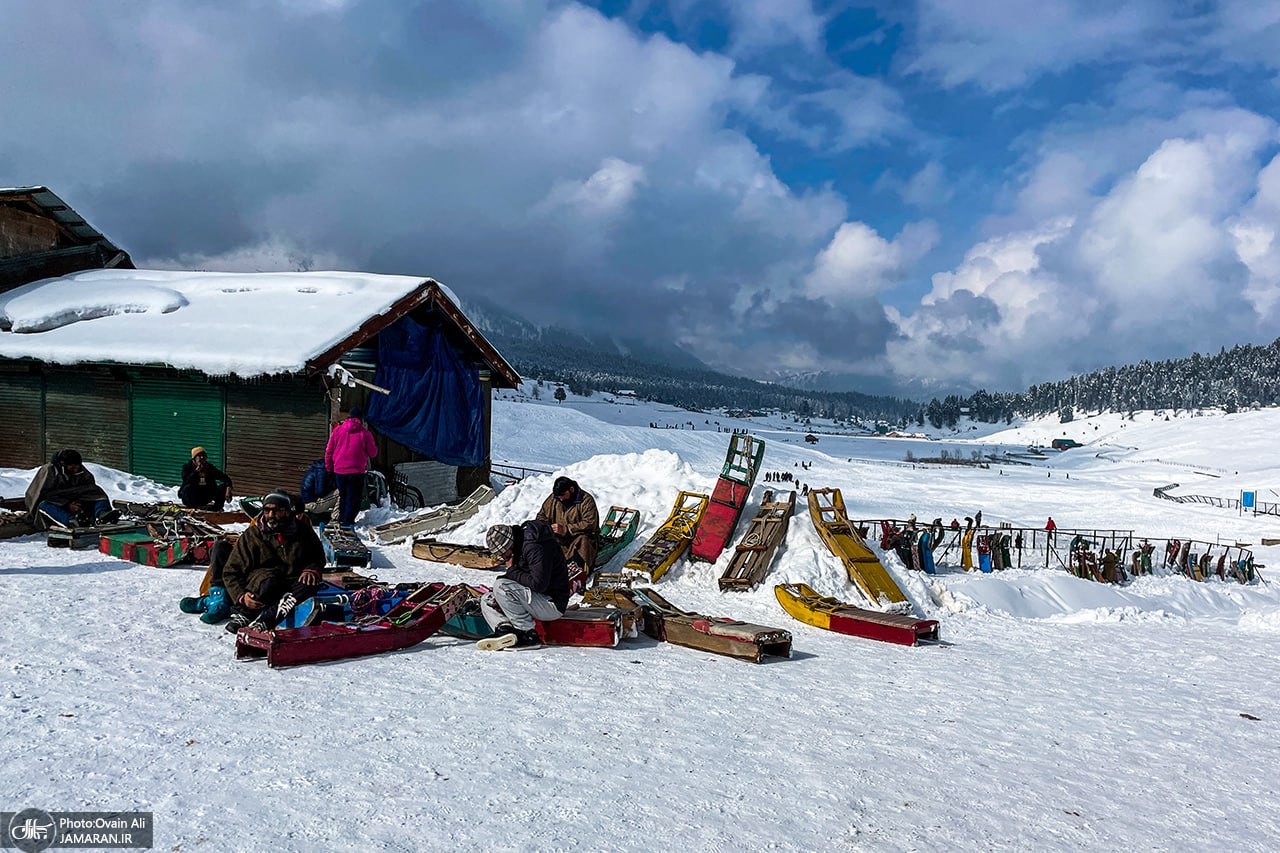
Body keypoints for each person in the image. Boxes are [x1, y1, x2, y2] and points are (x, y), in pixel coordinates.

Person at [221, 491, 327, 633]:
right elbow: (231, 571)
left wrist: (311, 569)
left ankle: (267, 619)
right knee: (270, 580)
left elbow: (318, 557)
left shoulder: (303, 532)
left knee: (310, 583)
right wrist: (241, 596)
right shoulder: (252, 535)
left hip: (292, 582)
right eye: (267, 510)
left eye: (276, 510)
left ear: (287, 512)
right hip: (263, 584)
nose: (271, 515)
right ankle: (246, 614)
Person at [479, 521, 570, 650]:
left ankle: (528, 634)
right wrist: (500, 597)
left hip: (552, 603)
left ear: (509, 545)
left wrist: (511, 571)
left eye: (503, 554)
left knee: (501, 587)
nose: (503, 558)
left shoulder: (535, 547)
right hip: (536, 598)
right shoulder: (518, 546)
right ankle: (506, 630)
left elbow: (539, 584)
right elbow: (518, 577)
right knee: (486, 599)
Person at [24, 449, 116, 529]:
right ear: (63, 464)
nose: (75, 470)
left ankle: (102, 514)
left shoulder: (81, 471)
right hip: (57, 504)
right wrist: (67, 504)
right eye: (72, 467)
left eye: (77, 467)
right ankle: (72, 521)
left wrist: (78, 502)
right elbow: (41, 495)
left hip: (78, 503)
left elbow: (89, 489)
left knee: (98, 493)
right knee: (44, 505)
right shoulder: (49, 471)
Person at [324, 407, 379, 530]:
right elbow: (373, 453)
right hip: (356, 472)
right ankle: (347, 522)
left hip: (339, 471)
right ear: (360, 419)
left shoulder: (337, 431)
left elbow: (329, 451)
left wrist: (329, 468)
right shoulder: (365, 433)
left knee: (343, 496)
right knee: (353, 497)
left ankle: (342, 519)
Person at [535, 475, 600, 570]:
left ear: (571, 489)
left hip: (578, 539)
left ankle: (579, 571)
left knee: (583, 541)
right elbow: (541, 516)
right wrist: (548, 527)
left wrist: (566, 529)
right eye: (558, 497)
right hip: (559, 539)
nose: (560, 499)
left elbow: (590, 523)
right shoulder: (554, 498)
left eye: (562, 495)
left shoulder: (586, 500)